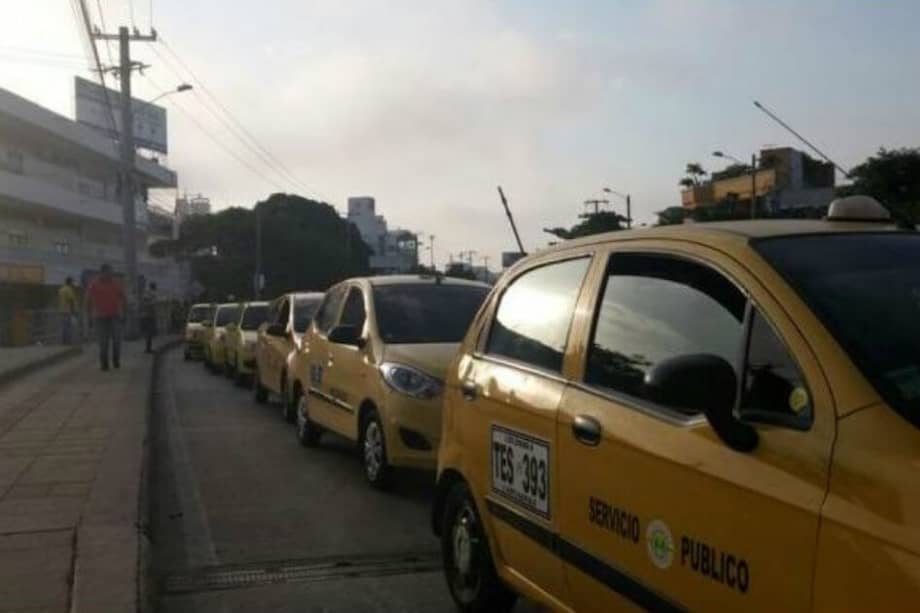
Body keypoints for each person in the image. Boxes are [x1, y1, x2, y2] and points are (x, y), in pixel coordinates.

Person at [85, 264, 125, 371]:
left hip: (115, 316)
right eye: (109, 272)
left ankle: (116, 360)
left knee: (117, 340)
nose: (111, 274)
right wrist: (89, 315)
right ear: (102, 272)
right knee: (103, 342)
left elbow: (123, 297)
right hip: (100, 317)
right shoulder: (94, 284)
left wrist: (123, 313)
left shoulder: (116, 283)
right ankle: (104, 363)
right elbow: (88, 300)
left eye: (111, 273)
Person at [58, 277, 78, 345]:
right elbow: (71, 300)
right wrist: (73, 311)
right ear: (70, 282)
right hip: (68, 310)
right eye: (72, 282)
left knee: (63, 327)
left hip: (62, 310)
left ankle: (63, 341)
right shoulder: (69, 289)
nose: (73, 283)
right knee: (69, 327)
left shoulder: (61, 289)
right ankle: (68, 341)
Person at [140, 281, 158, 353]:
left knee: (148, 333)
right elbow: (148, 303)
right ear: (153, 287)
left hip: (146, 315)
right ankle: (148, 348)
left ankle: (148, 348)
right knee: (149, 333)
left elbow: (144, 302)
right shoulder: (151, 294)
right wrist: (150, 305)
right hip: (149, 316)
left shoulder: (147, 293)